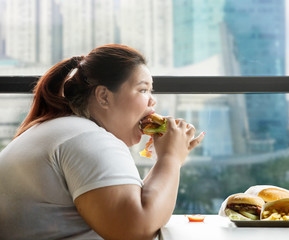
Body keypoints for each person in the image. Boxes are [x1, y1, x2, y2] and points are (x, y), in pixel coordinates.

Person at [0, 44, 204, 240]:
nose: (153, 101)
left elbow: (132, 206)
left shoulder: (64, 129)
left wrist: (171, 158)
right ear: (104, 96)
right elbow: (135, 230)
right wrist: (170, 158)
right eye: (143, 90)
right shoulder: (88, 138)